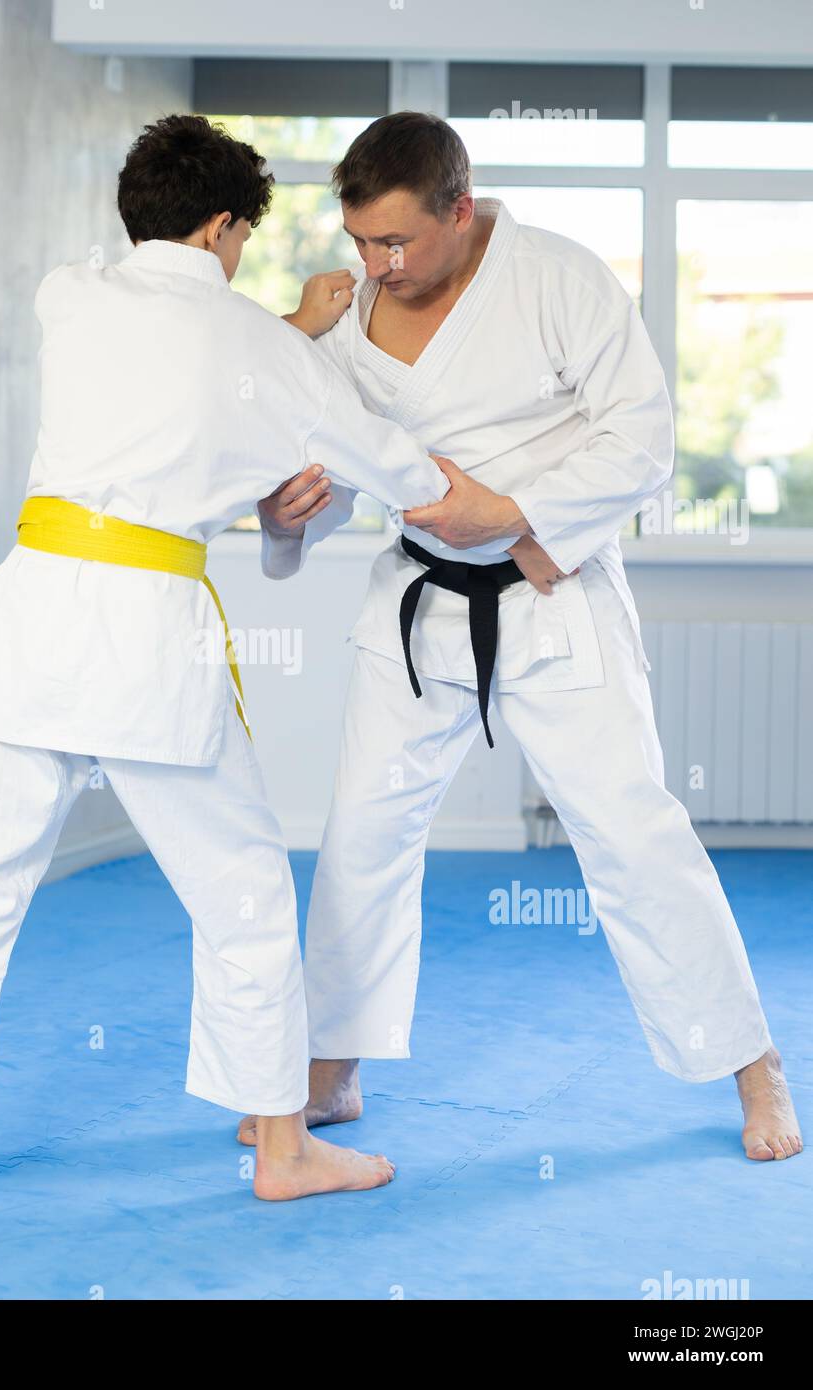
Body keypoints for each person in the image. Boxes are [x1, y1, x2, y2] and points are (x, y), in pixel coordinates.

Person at [0, 113, 468, 1242]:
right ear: (221, 226)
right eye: (240, 235)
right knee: (243, 892)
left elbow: (180, 354)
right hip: (147, 644)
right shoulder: (266, 354)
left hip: (26, 625)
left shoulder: (69, 293)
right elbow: (387, 465)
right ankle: (281, 1149)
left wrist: (281, 332)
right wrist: (308, 357)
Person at [239, 112, 801, 1163]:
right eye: (360, 241)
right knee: (359, 836)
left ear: (460, 209)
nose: (375, 265)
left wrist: (507, 513)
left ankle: (749, 1060)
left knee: (632, 835)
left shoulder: (558, 279)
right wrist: (285, 519)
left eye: (397, 241)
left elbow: (644, 441)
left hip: (552, 592)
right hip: (414, 603)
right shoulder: (353, 310)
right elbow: (331, 462)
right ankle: (332, 1063)